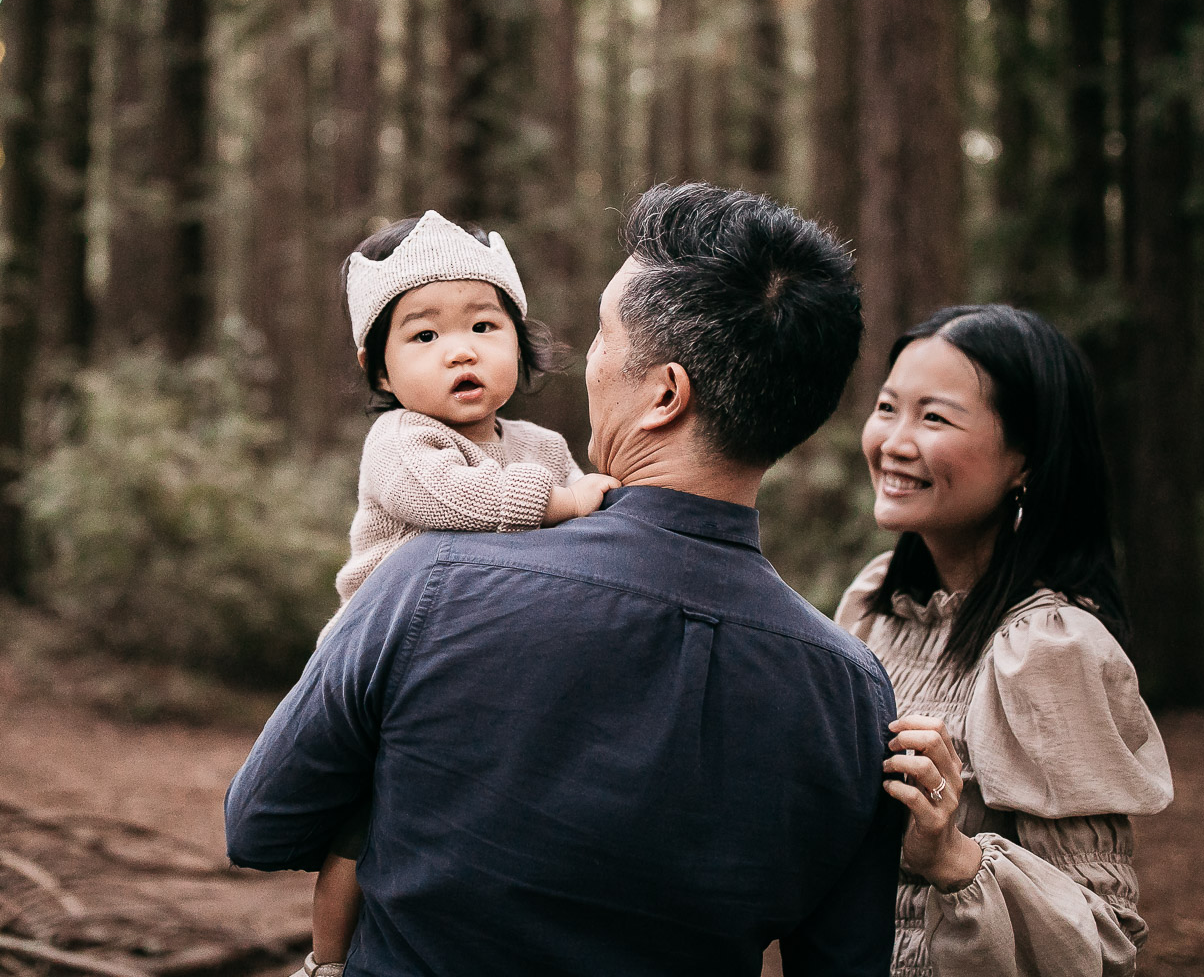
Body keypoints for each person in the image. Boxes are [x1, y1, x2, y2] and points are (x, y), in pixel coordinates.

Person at [226, 183, 902, 977]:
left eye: (600, 340)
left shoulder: (430, 582)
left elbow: (259, 824)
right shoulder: (854, 694)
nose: (585, 364)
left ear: (664, 395)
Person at [307, 210, 621, 974]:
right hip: (383, 661)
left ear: (520, 340)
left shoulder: (543, 448)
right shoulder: (403, 442)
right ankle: (325, 960)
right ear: (378, 369)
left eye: (485, 326)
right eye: (424, 336)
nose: (461, 351)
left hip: (485, 663)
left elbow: (593, 531)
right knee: (361, 821)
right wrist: (560, 505)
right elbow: (450, 500)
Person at [835, 305, 1174, 977]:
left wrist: (952, 857)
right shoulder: (876, 603)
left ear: (1025, 460)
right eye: (887, 407)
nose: (895, 441)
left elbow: (1105, 943)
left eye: (934, 417)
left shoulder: (1047, 650)